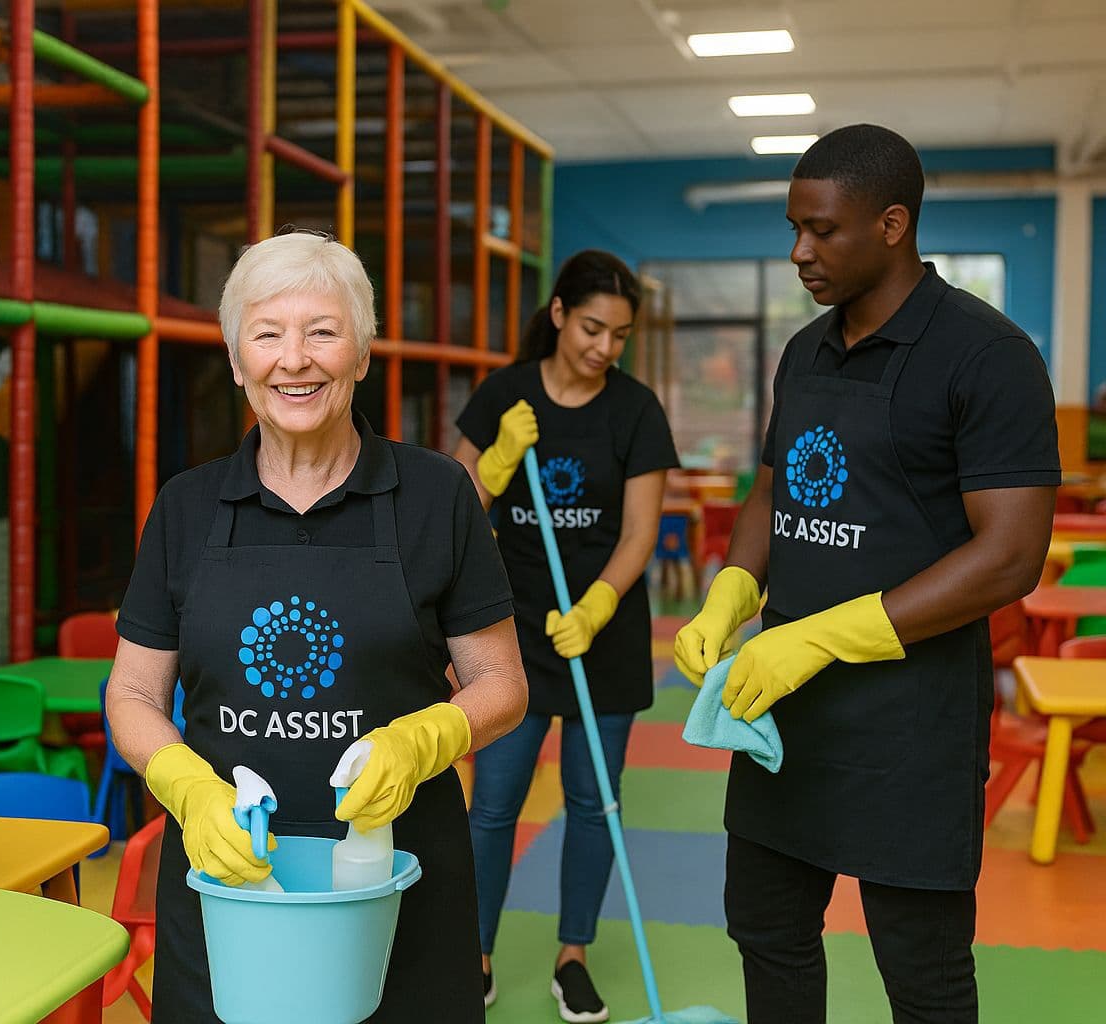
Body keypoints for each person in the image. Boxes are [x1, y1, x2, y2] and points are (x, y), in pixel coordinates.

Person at [675, 125, 1058, 1024]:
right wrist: (732, 593)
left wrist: (819, 634)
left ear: (893, 225)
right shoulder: (804, 352)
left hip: (910, 726)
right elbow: (772, 492)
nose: (800, 252)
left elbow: (1009, 554)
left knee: (921, 975)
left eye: (822, 230)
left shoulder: (985, 354)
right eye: (793, 228)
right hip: (782, 713)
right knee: (766, 932)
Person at [106, 230, 528, 1022]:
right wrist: (187, 789)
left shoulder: (437, 496)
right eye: (267, 334)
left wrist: (422, 740)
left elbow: (502, 684)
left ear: (362, 354)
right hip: (226, 885)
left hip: (396, 877)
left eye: (323, 331)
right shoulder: (186, 509)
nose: (293, 359)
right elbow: (131, 691)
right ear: (237, 361)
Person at [453, 250, 678, 1023]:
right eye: (591, 327)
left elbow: (641, 533)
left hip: (601, 634)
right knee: (493, 807)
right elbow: (455, 513)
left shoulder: (637, 411)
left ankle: (572, 956)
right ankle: (474, 957)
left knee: (595, 804)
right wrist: (500, 461)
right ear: (557, 314)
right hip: (509, 636)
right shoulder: (503, 396)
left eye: (619, 335)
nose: (603, 348)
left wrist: (597, 608)